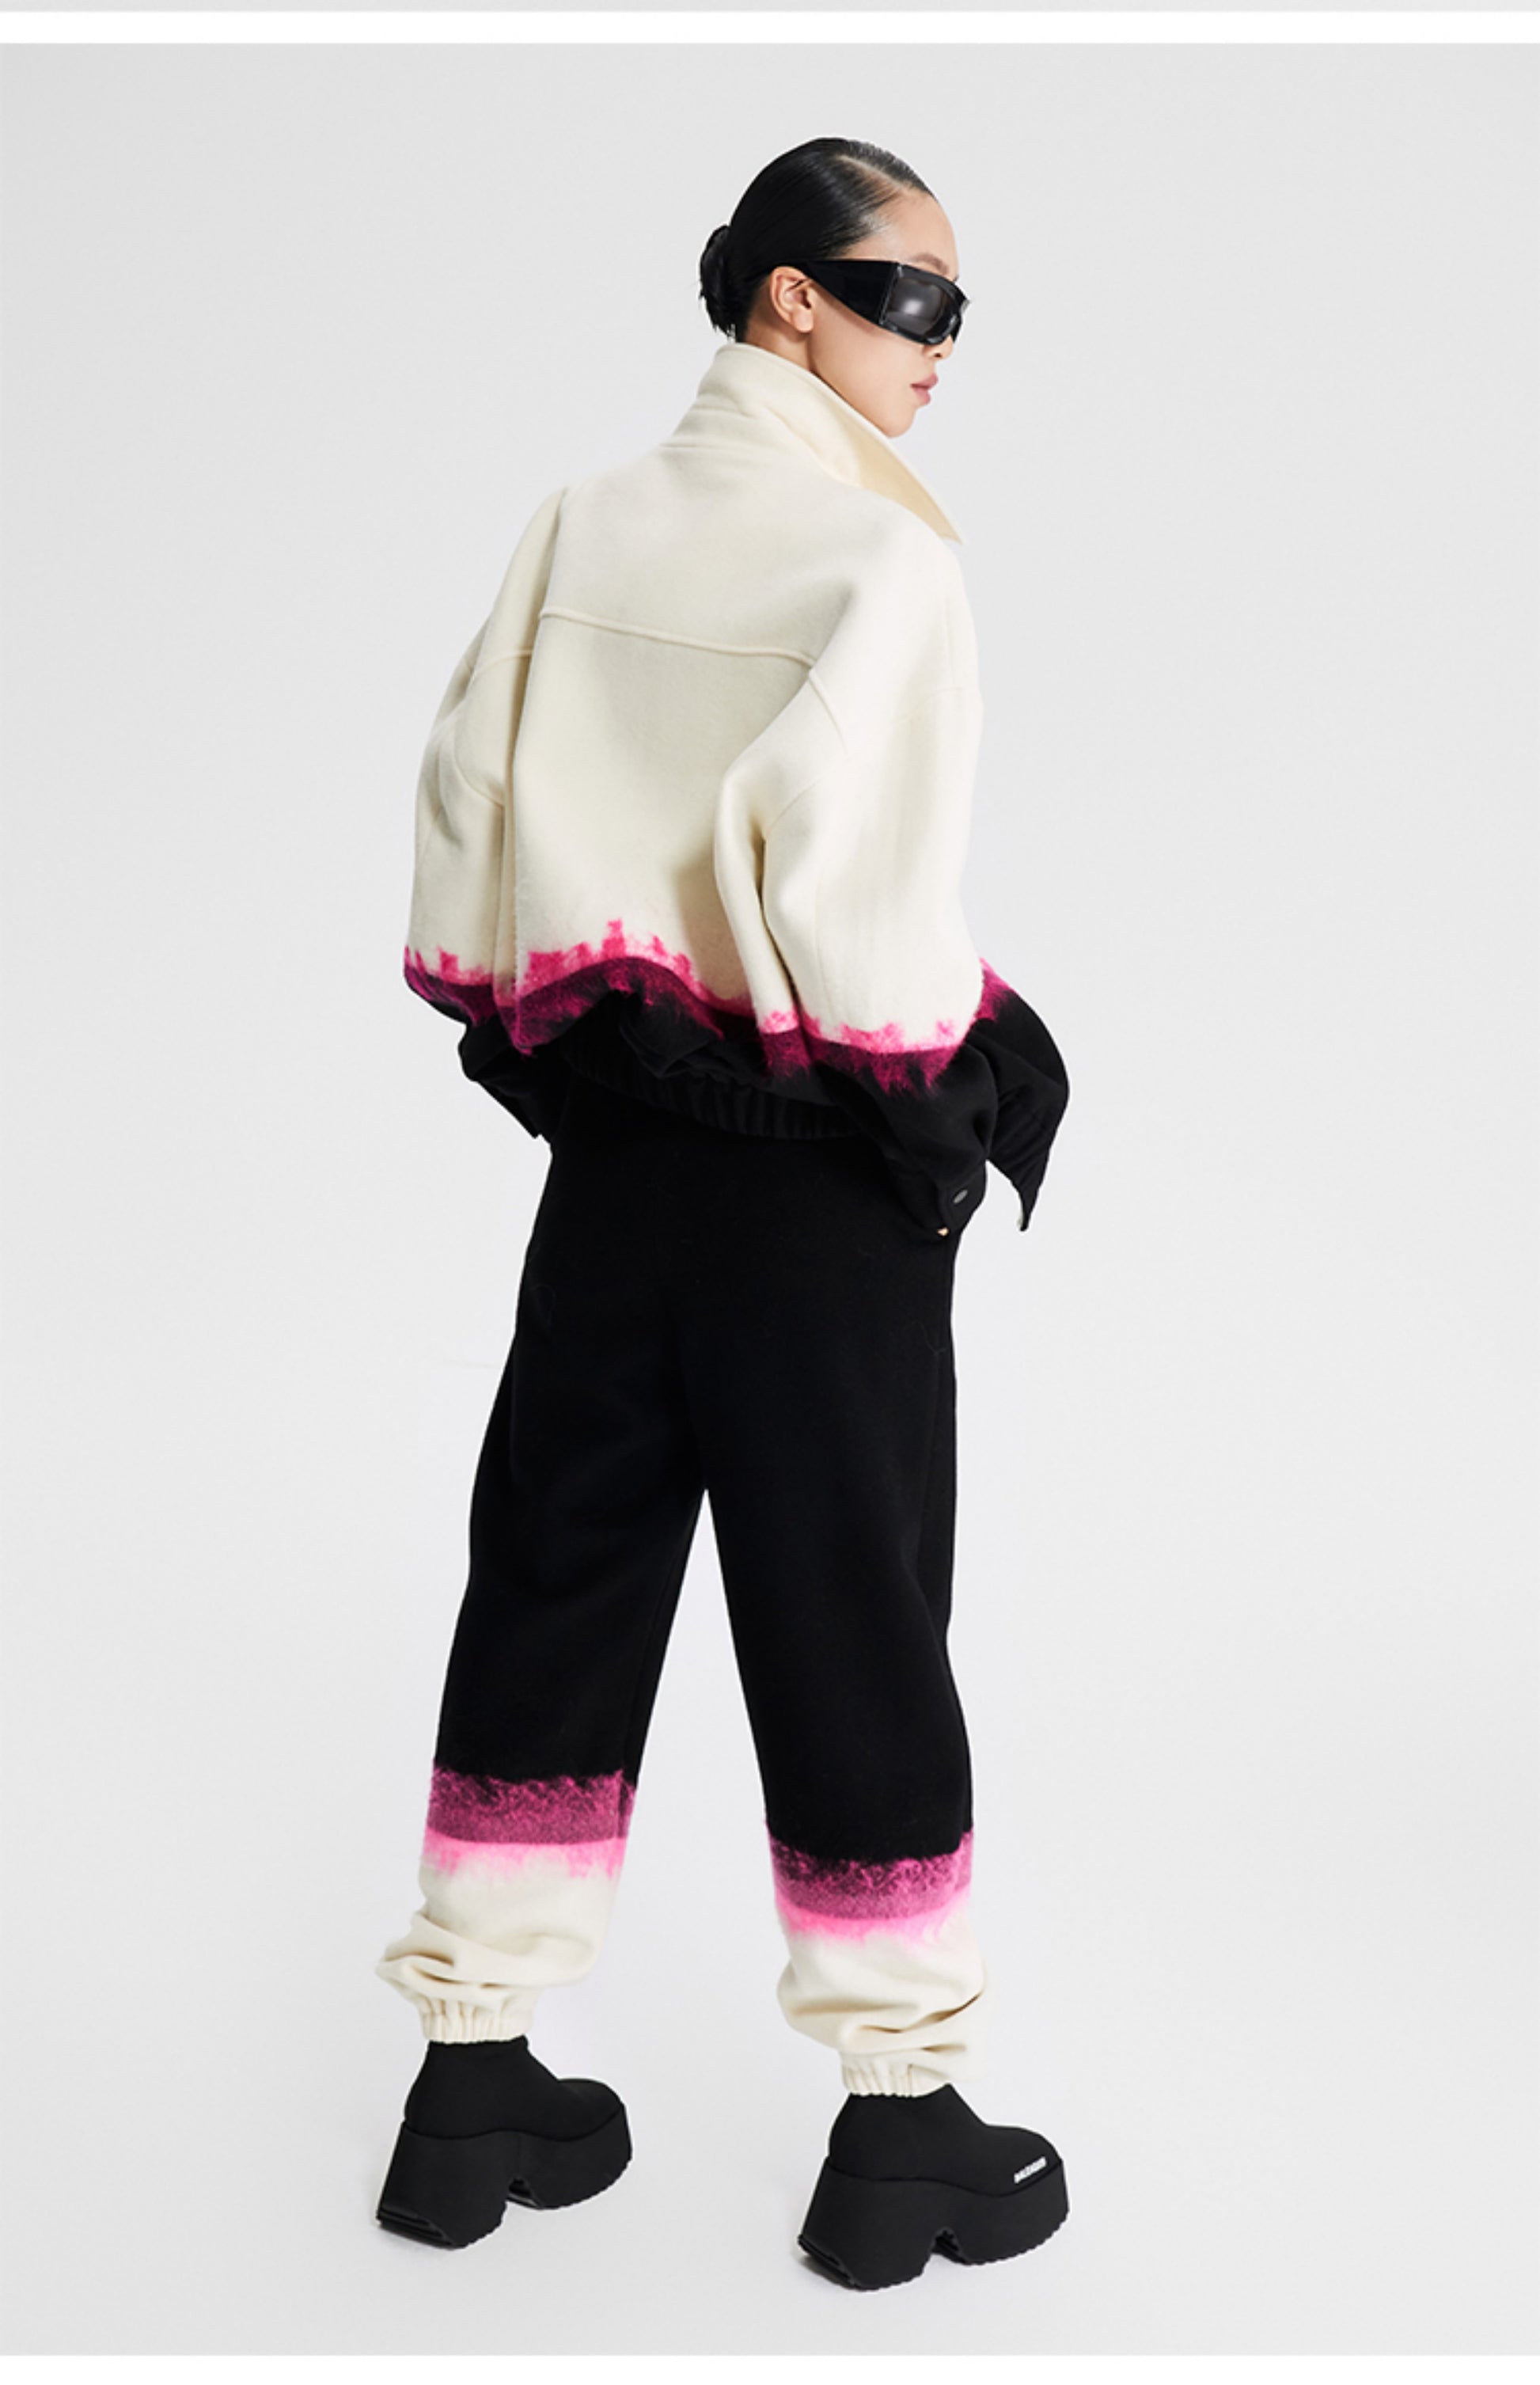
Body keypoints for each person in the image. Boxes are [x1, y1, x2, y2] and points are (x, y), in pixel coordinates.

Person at [372, 135, 1072, 2292]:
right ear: (791, 295)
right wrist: (952, 1094)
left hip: (615, 1167)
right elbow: (862, 914)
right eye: (915, 294)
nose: (943, 344)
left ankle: (469, 2087)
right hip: (807, 1189)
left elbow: (464, 805)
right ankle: (902, 2129)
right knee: (847, 1609)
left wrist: (560, 1051)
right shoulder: (883, 559)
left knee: (554, 1580)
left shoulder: (579, 522)